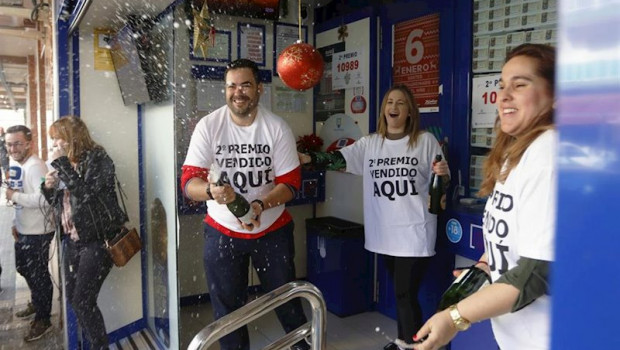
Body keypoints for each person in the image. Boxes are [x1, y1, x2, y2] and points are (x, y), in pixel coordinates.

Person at [412, 43, 557, 350]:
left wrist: (455, 317)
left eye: (520, 85)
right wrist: (483, 268)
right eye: (502, 85)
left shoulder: (549, 152)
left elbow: (538, 272)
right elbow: (514, 239)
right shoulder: (517, 154)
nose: (502, 96)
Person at [299, 84, 450, 350]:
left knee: (405, 292)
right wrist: (308, 157)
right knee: (401, 291)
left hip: (414, 229)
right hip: (385, 231)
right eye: (389, 102)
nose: (393, 107)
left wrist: (444, 174)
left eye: (401, 103)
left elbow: (441, 181)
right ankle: (405, 340)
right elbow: (337, 160)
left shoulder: (424, 141)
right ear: (383, 110)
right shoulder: (370, 144)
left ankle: (412, 345)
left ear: (410, 112)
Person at [181, 58, 309, 350]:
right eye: (231, 86)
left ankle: (304, 346)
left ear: (259, 89)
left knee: (286, 303)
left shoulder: (276, 127)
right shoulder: (208, 126)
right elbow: (189, 183)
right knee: (228, 313)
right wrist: (212, 192)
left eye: (245, 85)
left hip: (273, 231)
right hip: (222, 233)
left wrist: (260, 205)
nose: (238, 92)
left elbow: (290, 184)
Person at [42, 116, 127, 350]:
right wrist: (49, 189)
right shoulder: (69, 164)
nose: (54, 144)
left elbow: (87, 197)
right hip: (73, 241)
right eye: (52, 140)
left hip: (97, 242)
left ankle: (99, 347)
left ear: (72, 138)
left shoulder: (99, 159)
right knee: (74, 299)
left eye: (58, 138)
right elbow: (64, 205)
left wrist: (62, 166)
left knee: (83, 301)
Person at [4, 125, 55, 341]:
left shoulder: (35, 166)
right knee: (24, 268)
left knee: (39, 276)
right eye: (9, 144)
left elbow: (44, 199)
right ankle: (37, 303)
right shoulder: (20, 165)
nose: (12, 148)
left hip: (38, 232)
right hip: (25, 230)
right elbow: (22, 197)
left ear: (29, 143)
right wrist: (16, 222)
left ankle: (43, 320)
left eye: (17, 143)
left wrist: (13, 195)